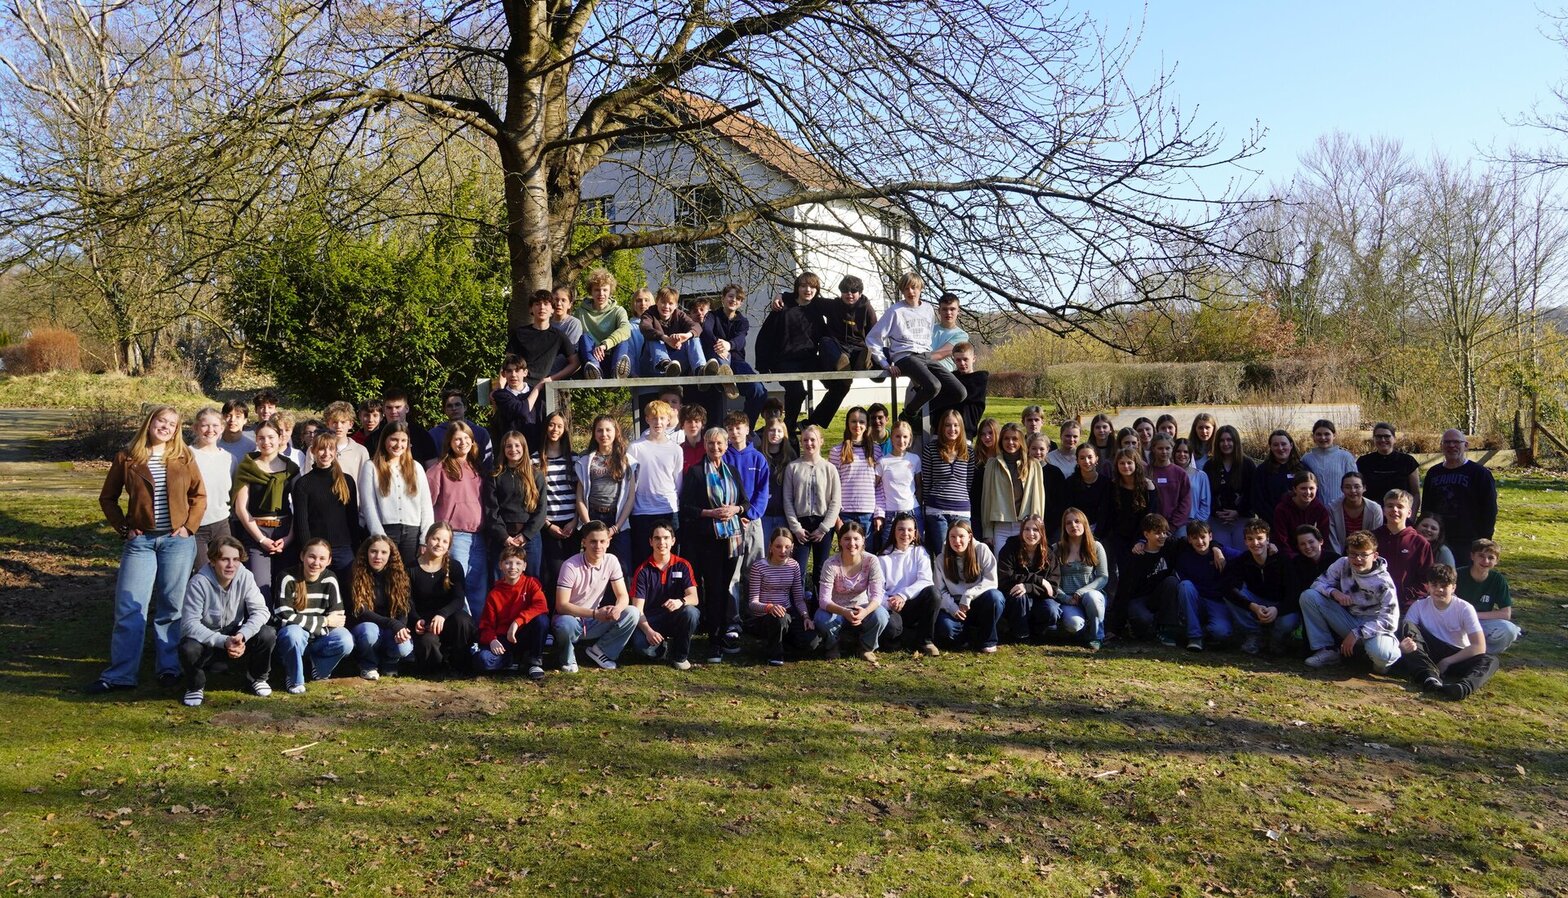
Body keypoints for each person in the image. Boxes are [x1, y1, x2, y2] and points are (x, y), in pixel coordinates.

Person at [90, 406, 207, 694]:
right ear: (150, 422)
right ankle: (121, 674)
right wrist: (123, 528)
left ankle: (169, 668)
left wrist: (188, 528)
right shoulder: (127, 457)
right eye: (161, 421)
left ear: (177, 430)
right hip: (140, 544)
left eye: (172, 424)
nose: (165, 427)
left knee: (171, 608)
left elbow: (199, 496)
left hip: (176, 542)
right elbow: (108, 498)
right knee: (130, 607)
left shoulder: (184, 457)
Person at [176, 536, 275, 706]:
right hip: (208, 638)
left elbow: (261, 611)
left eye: (236, 559)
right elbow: (189, 624)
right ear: (213, 561)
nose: (231, 565)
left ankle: (256, 677)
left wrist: (243, 635)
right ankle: (195, 686)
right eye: (225, 559)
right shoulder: (198, 583)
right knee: (188, 647)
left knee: (268, 633)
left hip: (235, 634)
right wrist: (223, 641)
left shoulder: (245, 576)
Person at [679, 427, 750, 663]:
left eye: (720, 444)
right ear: (705, 446)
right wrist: (711, 512)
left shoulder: (731, 471)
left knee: (723, 589)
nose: (715, 448)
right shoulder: (696, 472)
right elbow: (686, 508)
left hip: (731, 542)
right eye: (711, 444)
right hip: (706, 542)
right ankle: (713, 642)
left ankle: (719, 636)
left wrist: (736, 509)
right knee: (712, 590)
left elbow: (745, 503)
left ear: (726, 445)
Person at [865, 272, 966, 429]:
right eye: (906, 289)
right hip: (905, 357)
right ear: (902, 291)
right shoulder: (895, 311)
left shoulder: (928, 309)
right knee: (934, 385)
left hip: (925, 356)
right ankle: (909, 413)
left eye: (914, 287)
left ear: (920, 289)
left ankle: (922, 410)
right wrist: (885, 363)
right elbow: (873, 337)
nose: (911, 292)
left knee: (959, 392)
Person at [1301, 530, 1400, 672]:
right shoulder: (1343, 564)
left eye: (1364, 555)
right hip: (1349, 618)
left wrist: (1357, 632)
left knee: (1382, 654)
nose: (1358, 559)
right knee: (1309, 596)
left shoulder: (1383, 582)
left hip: (1373, 626)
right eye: (1353, 554)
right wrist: (1334, 592)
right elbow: (1317, 584)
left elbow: (1390, 621)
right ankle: (1327, 650)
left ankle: (1382, 661)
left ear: (1374, 555)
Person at [1398, 564, 1498, 700]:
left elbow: (1479, 646)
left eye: (1444, 586)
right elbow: (1409, 633)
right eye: (1434, 585)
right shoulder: (1418, 606)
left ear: (1453, 587)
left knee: (1490, 660)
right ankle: (1429, 677)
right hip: (1428, 651)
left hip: (1456, 654)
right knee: (1407, 627)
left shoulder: (1465, 608)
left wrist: (1447, 661)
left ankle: (1463, 687)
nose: (1439, 590)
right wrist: (1404, 646)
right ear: (1428, 587)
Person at [553, 521, 640, 671]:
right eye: (593, 541)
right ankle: (567, 657)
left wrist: (617, 609)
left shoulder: (611, 560)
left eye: (602, 541)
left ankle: (600, 651)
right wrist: (595, 614)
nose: (598, 546)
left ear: (608, 542)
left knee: (632, 612)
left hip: (595, 620)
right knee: (565, 624)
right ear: (584, 542)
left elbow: (623, 595)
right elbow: (561, 605)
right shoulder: (570, 566)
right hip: (572, 619)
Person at [231, 420, 300, 603]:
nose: (266, 442)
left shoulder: (291, 469)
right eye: (261, 438)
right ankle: (264, 628)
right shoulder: (247, 466)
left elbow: (299, 507)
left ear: (280, 439)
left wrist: (289, 538)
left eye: (271, 437)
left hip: (284, 532)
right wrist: (261, 539)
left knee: (285, 584)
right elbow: (241, 508)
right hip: (256, 533)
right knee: (260, 588)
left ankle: (285, 627)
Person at [273, 538, 354, 694]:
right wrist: (324, 621)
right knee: (293, 633)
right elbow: (284, 616)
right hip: (294, 639)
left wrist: (322, 625)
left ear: (329, 561)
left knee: (345, 639)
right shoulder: (287, 577)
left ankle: (320, 668)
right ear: (302, 556)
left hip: (319, 640)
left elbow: (338, 617)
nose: (316, 562)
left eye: (322, 558)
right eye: (312, 556)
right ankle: (294, 678)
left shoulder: (330, 578)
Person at [755, 271, 828, 440]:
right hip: (784, 360)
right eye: (803, 286)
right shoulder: (783, 308)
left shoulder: (816, 310)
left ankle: (814, 420)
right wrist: (763, 366)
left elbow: (825, 334)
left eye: (812, 287)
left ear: (817, 289)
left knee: (840, 384)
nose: (807, 290)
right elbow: (765, 336)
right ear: (797, 288)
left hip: (808, 359)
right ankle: (788, 427)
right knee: (796, 391)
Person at [722, 411, 771, 650]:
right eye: (730, 429)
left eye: (738, 428)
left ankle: (756, 616)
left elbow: (762, 493)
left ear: (747, 429)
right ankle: (733, 621)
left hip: (754, 523)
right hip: (731, 523)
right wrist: (736, 514)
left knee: (757, 569)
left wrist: (749, 515)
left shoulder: (758, 459)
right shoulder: (724, 457)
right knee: (734, 572)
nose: (734, 433)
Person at [627, 522, 701, 670]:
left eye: (666, 538)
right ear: (651, 542)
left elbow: (694, 598)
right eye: (657, 538)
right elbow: (637, 609)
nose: (662, 542)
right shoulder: (642, 571)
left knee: (691, 612)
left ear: (673, 541)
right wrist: (648, 631)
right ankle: (663, 648)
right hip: (651, 620)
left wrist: (680, 601)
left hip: (676, 616)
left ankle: (680, 656)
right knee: (640, 646)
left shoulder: (683, 565)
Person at [808, 276, 879, 429]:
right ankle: (842, 364)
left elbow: (875, 333)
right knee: (826, 342)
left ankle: (862, 363)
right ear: (841, 293)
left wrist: (879, 359)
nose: (849, 294)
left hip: (857, 349)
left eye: (854, 291)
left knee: (841, 385)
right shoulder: (833, 305)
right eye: (845, 291)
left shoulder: (866, 307)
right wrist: (782, 296)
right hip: (837, 349)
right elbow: (809, 298)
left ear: (860, 292)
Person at [359, 422, 434, 568]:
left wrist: (425, 539)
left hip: (412, 532)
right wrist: (380, 537)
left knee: (408, 577)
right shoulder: (371, 467)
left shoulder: (416, 467)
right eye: (394, 439)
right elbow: (369, 506)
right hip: (386, 530)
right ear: (385, 440)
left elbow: (426, 505)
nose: (398, 445)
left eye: (403, 441)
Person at [406, 523, 477, 676]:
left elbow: (459, 599)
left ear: (449, 545)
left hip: (448, 618)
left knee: (463, 622)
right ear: (427, 538)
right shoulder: (411, 568)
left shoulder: (455, 567)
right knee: (427, 643)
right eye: (436, 539)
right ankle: (438, 669)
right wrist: (416, 619)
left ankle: (460, 665)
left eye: (444, 541)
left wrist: (442, 614)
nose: (439, 544)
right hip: (425, 622)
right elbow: (407, 601)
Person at [814, 521, 889, 662]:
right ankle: (833, 646)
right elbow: (823, 601)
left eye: (856, 539)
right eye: (847, 539)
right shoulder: (830, 564)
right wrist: (844, 612)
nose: (852, 543)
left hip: (861, 608)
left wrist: (865, 612)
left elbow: (877, 596)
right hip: (836, 610)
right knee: (821, 618)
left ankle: (866, 648)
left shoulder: (871, 560)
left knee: (881, 615)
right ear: (840, 541)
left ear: (863, 541)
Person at [783, 425, 842, 601]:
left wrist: (824, 528)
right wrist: (796, 528)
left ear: (821, 441)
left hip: (823, 524)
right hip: (801, 525)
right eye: (805, 440)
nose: (809, 443)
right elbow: (787, 499)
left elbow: (835, 501)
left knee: (821, 568)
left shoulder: (829, 468)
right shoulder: (793, 468)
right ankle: (799, 610)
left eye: (813, 440)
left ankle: (820, 605)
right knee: (798, 568)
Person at [291, 432, 362, 580]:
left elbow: (352, 518)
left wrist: (356, 548)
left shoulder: (346, 481)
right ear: (313, 451)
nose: (326, 453)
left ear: (335, 452)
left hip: (343, 548)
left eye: (331, 449)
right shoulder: (303, 484)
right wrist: (307, 550)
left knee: (347, 590)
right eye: (322, 449)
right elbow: (302, 523)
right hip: (316, 550)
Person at [626, 399, 685, 572]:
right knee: (643, 559)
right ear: (647, 419)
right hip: (642, 511)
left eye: (662, 418)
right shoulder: (635, 447)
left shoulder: (676, 449)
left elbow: (678, 481)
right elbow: (630, 481)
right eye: (654, 418)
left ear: (668, 420)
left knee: (671, 560)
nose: (658, 422)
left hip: (669, 510)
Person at [475, 544, 549, 679]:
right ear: (500, 565)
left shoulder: (531, 583)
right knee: (483, 660)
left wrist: (517, 622)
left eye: (518, 563)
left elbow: (541, 606)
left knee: (542, 620)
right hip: (504, 639)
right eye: (508, 563)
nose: (513, 567)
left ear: (524, 566)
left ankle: (534, 661)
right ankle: (512, 659)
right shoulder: (494, 593)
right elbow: (486, 625)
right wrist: (492, 640)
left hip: (525, 633)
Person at [486, 430, 548, 589]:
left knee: (531, 581)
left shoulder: (536, 474)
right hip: (502, 538)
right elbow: (491, 509)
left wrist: (525, 536)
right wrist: (504, 536)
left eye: (517, 445)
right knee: (500, 582)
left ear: (524, 447)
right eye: (508, 446)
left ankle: (531, 613)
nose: (513, 449)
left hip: (529, 538)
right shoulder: (495, 474)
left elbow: (541, 509)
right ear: (503, 449)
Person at [1223, 518, 1295, 655]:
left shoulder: (1282, 561)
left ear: (1268, 539)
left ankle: (1277, 639)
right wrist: (1252, 606)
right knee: (1232, 594)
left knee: (1288, 622)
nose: (1255, 543)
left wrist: (1277, 609)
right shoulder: (1242, 560)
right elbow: (1228, 587)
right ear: (1245, 542)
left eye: (1260, 538)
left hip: (1278, 603)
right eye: (1250, 539)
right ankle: (1254, 634)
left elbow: (1294, 593)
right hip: (1256, 601)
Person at [1421, 429, 1498, 555]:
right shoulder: (1433, 473)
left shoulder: (1480, 474)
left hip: (1468, 539)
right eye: (1447, 442)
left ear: (1466, 446)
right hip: (1438, 537)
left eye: (1456, 442)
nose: (1451, 445)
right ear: (1442, 446)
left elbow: (1489, 509)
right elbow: (1426, 508)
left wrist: (1484, 539)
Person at [575, 415, 638, 568]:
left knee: (623, 568)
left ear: (616, 432)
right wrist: (589, 525)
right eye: (599, 430)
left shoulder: (626, 460)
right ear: (594, 434)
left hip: (617, 520)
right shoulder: (585, 460)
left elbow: (630, 497)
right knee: (593, 566)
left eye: (608, 430)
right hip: (593, 517)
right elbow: (580, 498)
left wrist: (616, 527)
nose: (604, 434)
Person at [933, 520, 1005, 652]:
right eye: (952, 537)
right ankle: (965, 637)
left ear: (970, 537)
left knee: (995, 597)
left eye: (961, 536)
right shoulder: (941, 559)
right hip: (955, 606)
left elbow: (991, 581)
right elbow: (940, 590)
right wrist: (953, 608)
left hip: (978, 601)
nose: (957, 541)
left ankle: (987, 641)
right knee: (945, 628)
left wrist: (969, 595)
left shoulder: (981, 550)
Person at [348, 534, 414, 679]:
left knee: (405, 647)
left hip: (389, 629)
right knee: (369, 631)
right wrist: (393, 624)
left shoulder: (399, 575)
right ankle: (368, 664)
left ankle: (390, 662)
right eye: (373, 551)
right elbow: (361, 611)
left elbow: (404, 607)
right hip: (365, 627)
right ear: (366, 552)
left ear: (390, 555)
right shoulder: (355, 572)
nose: (378, 556)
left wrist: (400, 627)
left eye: (384, 552)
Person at [747, 528, 816, 665]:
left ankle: (782, 644)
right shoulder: (759, 567)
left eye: (787, 547)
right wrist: (769, 607)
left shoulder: (793, 565)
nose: (783, 551)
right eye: (778, 546)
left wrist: (806, 617)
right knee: (779, 619)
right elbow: (752, 602)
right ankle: (775, 654)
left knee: (812, 642)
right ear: (770, 547)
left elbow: (798, 598)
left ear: (792, 548)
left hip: (788, 611)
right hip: (765, 615)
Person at [1111, 513, 1183, 644]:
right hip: (1139, 599)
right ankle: (1136, 627)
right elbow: (1123, 590)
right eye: (1157, 533)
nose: (1162, 536)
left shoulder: (1171, 546)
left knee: (1172, 581)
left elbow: (1193, 542)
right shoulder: (1135, 557)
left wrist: (1215, 548)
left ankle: (1167, 630)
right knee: (1143, 619)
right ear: (1146, 535)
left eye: (1165, 532)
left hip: (1159, 596)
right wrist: (1115, 628)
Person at [879, 513, 942, 656]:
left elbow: (926, 580)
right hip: (892, 606)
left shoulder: (920, 552)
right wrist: (890, 602)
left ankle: (925, 641)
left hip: (913, 603)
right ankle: (901, 638)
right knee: (892, 629)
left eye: (909, 530)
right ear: (894, 531)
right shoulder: (882, 558)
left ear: (915, 533)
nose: (905, 534)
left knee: (934, 593)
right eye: (900, 529)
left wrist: (903, 595)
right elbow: (877, 590)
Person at [700, 283, 766, 418]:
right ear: (723, 298)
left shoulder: (743, 321)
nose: (733, 300)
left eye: (738, 298)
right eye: (730, 296)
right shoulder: (712, 316)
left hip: (736, 361)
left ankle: (747, 428)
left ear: (741, 303)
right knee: (719, 362)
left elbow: (741, 339)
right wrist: (719, 345)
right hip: (715, 359)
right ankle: (726, 377)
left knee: (759, 391)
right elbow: (706, 331)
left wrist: (728, 346)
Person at [1171, 520, 1238, 652]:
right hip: (1196, 599)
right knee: (1185, 586)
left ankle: (1204, 631)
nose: (1200, 542)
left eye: (1203, 537)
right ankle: (1194, 637)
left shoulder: (1222, 552)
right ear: (1189, 539)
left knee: (1221, 632)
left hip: (1217, 601)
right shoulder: (1185, 556)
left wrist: (1269, 547)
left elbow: (1246, 557)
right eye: (1195, 538)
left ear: (1211, 536)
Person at [982, 422, 1049, 552]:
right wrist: (987, 531)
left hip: (1025, 525)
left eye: (1015, 439)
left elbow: (1038, 499)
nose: (1010, 442)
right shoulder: (992, 464)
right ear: (1001, 441)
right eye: (1006, 438)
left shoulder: (1033, 465)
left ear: (1021, 441)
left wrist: (1038, 527)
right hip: (1001, 525)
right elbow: (987, 499)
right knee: (1001, 566)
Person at [534, 410, 580, 594]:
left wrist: (576, 520)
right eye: (552, 424)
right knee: (554, 573)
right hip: (548, 524)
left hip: (572, 524)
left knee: (574, 573)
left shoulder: (575, 458)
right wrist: (547, 525)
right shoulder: (535, 459)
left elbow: (580, 493)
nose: (555, 429)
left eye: (560, 426)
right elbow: (533, 497)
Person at [1052, 507, 1108, 648]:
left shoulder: (1096, 547)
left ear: (1084, 524)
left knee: (1093, 599)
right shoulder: (1056, 549)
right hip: (1068, 599)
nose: (1073, 526)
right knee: (1074, 625)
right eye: (1068, 523)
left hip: (1091, 595)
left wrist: (1082, 592)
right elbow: (1051, 580)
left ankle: (1097, 637)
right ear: (1064, 527)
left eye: (1077, 521)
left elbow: (1103, 577)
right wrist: (1066, 598)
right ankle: (1085, 630)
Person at [920, 410, 975, 553]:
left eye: (956, 425)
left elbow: (968, 483)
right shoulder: (931, 449)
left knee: (962, 554)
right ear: (942, 427)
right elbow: (927, 483)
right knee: (943, 554)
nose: (952, 429)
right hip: (937, 511)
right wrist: (927, 509)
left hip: (962, 510)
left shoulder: (968, 451)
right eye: (948, 425)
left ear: (961, 427)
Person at [996, 514, 1057, 643]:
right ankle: (1021, 635)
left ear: (1042, 532)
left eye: (1035, 530)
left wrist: (1027, 587)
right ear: (1021, 531)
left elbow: (1053, 589)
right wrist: (1039, 580)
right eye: (1026, 529)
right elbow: (1005, 578)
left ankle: (1036, 633)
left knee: (1051, 610)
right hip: (1014, 600)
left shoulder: (1050, 554)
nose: (1031, 533)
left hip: (1039, 599)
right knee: (1019, 595)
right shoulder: (1009, 548)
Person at [188, 407, 234, 570]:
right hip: (195, 526)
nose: (210, 430)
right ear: (196, 428)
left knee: (225, 570)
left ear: (222, 428)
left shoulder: (229, 459)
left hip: (221, 523)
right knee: (203, 573)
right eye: (205, 425)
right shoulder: (187, 455)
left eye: (215, 426)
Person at [1457, 538, 1521, 653]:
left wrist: (1474, 615)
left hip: (1480, 621)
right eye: (1481, 556)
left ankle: (1483, 653)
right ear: (1472, 556)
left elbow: (1506, 613)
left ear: (1496, 561)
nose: (1485, 561)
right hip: (1457, 621)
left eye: (1491, 558)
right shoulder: (1457, 575)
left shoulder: (1498, 580)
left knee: (1509, 630)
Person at [506, 288, 581, 386]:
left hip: (545, 388)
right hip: (520, 387)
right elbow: (508, 361)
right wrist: (500, 384)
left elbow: (575, 363)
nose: (542, 307)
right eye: (537, 304)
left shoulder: (558, 336)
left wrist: (552, 379)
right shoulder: (520, 333)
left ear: (552, 309)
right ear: (531, 309)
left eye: (546, 304)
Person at [1374, 489, 1433, 611]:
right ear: (1384, 510)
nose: (1394, 510)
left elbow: (1426, 580)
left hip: (1406, 607)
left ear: (1409, 512)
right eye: (1390, 506)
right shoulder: (1372, 538)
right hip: (1373, 603)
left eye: (1400, 506)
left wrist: (1403, 596)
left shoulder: (1420, 543)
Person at [641, 285, 714, 377]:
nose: (666, 306)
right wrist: (665, 338)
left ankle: (700, 369)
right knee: (653, 337)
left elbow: (696, 326)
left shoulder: (679, 315)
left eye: (670, 303)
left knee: (693, 337)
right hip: (653, 362)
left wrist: (686, 336)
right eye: (663, 302)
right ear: (657, 302)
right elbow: (645, 327)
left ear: (676, 305)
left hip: (676, 361)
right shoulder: (649, 314)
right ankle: (664, 364)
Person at [829, 407, 880, 534]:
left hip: (868, 513)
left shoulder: (876, 450)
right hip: (845, 513)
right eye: (853, 421)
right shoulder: (836, 451)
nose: (857, 425)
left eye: (862, 422)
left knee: (867, 553)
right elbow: (831, 487)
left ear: (867, 424)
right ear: (847, 423)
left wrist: (879, 514)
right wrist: (836, 517)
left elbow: (880, 486)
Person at [874, 421, 922, 551]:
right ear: (891, 438)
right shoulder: (883, 462)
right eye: (897, 436)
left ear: (910, 438)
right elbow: (874, 488)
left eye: (905, 437)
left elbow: (918, 486)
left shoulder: (915, 459)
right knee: (888, 550)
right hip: (891, 514)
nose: (901, 440)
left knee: (915, 550)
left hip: (912, 511)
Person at [1358, 422, 1421, 516]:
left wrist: (1411, 517)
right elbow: (1359, 491)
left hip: (1399, 515)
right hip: (1372, 515)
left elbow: (1415, 493)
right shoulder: (1363, 462)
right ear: (1373, 439)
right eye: (1378, 437)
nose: (1383, 440)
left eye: (1387, 436)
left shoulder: (1407, 461)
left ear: (1394, 439)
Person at [929, 342, 989, 438]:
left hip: (965, 432)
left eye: (965, 359)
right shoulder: (950, 377)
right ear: (954, 360)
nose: (962, 363)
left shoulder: (979, 379)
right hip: (942, 431)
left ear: (973, 359)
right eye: (958, 360)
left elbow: (960, 394)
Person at [756, 417, 797, 550]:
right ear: (766, 432)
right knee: (765, 552)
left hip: (784, 514)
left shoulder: (791, 457)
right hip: (763, 514)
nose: (775, 434)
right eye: (772, 430)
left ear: (784, 434)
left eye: (779, 431)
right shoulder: (758, 455)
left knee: (783, 552)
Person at [1298, 419, 1358, 510]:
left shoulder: (1346, 457)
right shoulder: (1307, 459)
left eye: (1327, 434)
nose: (1323, 438)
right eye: (1319, 434)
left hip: (1341, 509)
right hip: (1315, 510)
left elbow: (1354, 484)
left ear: (1334, 435)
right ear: (1313, 437)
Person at [1270, 472, 1331, 560]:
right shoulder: (1282, 509)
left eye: (1311, 488)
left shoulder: (1320, 510)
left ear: (1316, 489)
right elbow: (1281, 539)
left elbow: (1324, 537)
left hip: (1314, 555)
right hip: (1289, 556)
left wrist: (1317, 557)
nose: (1308, 492)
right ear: (1295, 489)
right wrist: (1294, 559)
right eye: (1303, 488)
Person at [371, 391, 438, 465]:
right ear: (383, 410)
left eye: (398, 407)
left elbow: (432, 468)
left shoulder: (422, 436)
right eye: (389, 408)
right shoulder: (374, 438)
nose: (393, 411)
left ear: (407, 408)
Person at [1252, 430, 1303, 526]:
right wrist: (1276, 520)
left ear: (1291, 445)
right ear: (1270, 447)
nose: (1280, 448)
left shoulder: (1302, 469)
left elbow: (1311, 495)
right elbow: (1258, 501)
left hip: (1299, 525)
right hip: (1272, 525)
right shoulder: (1262, 471)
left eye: (1283, 444)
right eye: (1275, 445)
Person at [1328, 471, 1384, 555]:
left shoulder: (1375, 509)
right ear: (1341, 489)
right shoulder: (1332, 508)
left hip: (1366, 554)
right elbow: (1332, 539)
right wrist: (1339, 559)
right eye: (1347, 487)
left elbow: (1375, 538)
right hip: (1339, 555)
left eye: (1357, 487)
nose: (1353, 490)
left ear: (1364, 488)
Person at [429, 389, 492, 464]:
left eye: (457, 404)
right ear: (445, 410)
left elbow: (488, 463)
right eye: (449, 406)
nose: (454, 409)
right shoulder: (434, 435)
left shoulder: (480, 433)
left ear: (465, 407)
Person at [1060, 443, 1110, 537]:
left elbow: (1106, 512)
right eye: (1082, 458)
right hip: (1075, 530)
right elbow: (1068, 510)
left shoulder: (1106, 483)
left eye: (1090, 457)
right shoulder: (1070, 483)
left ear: (1096, 459)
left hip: (1100, 532)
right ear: (1077, 461)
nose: (1087, 461)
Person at [1285, 524, 1339, 609]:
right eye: (1302, 544)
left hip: (1334, 603)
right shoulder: (1296, 563)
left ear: (1321, 541)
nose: (1307, 547)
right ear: (1298, 547)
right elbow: (1295, 591)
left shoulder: (1335, 560)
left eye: (1311, 542)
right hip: (1307, 605)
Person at [489, 355, 539, 449]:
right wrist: (538, 388)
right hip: (511, 451)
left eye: (517, 370)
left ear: (525, 372)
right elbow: (522, 410)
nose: (513, 374)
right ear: (504, 374)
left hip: (535, 450)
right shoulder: (500, 395)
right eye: (509, 371)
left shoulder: (538, 394)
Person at [1147, 434, 1191, 534]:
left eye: (1167, 448)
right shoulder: (1146, 471)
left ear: (1172, 449)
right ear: (1153, 449)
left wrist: (1172, 525)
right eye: (1160, 448)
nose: (1164, 452)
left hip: (1176, 526)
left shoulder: (1180, 473)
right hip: (1151, 525)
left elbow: (1185, 502)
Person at [322, 401, 370, 493]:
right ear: (328, 423)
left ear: (351, 424)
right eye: (334, 422)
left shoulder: (360, 451)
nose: (339, 426)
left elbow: (365, 484)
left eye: (343, 422)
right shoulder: (316, 450)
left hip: (351, 503)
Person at [1173, 438, 1209, 534]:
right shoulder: (1168, 474)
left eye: (1185, 451)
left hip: (1195, 523)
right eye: (1178, 451)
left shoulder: (1201, 476)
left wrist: (1196, 523)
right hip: (1174, 524)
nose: (1182, 454)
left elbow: (1205, 504)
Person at [549, 284, 585, 378]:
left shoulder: (573, 324)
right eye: (556, 300)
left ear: (569, 304)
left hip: (561, 371)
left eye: (563, 300)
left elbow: (569, 353)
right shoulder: (546, 322)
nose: (559, 304)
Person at [930, 292, 969, 371]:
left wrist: (916, 361)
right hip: (922, 374)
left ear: (958, 311)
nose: (948, 313)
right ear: (939, 311)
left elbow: (939, 354)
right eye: (945, 309)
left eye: (952, 309)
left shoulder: (961, 336)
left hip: (945, 376)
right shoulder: (928, 329)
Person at [218, 399, 256, 465]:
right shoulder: (213, 443)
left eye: (238, 416)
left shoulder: (252, 447)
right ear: (222, 418)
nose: (232, 420)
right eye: (228, 416)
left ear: (245, 420)